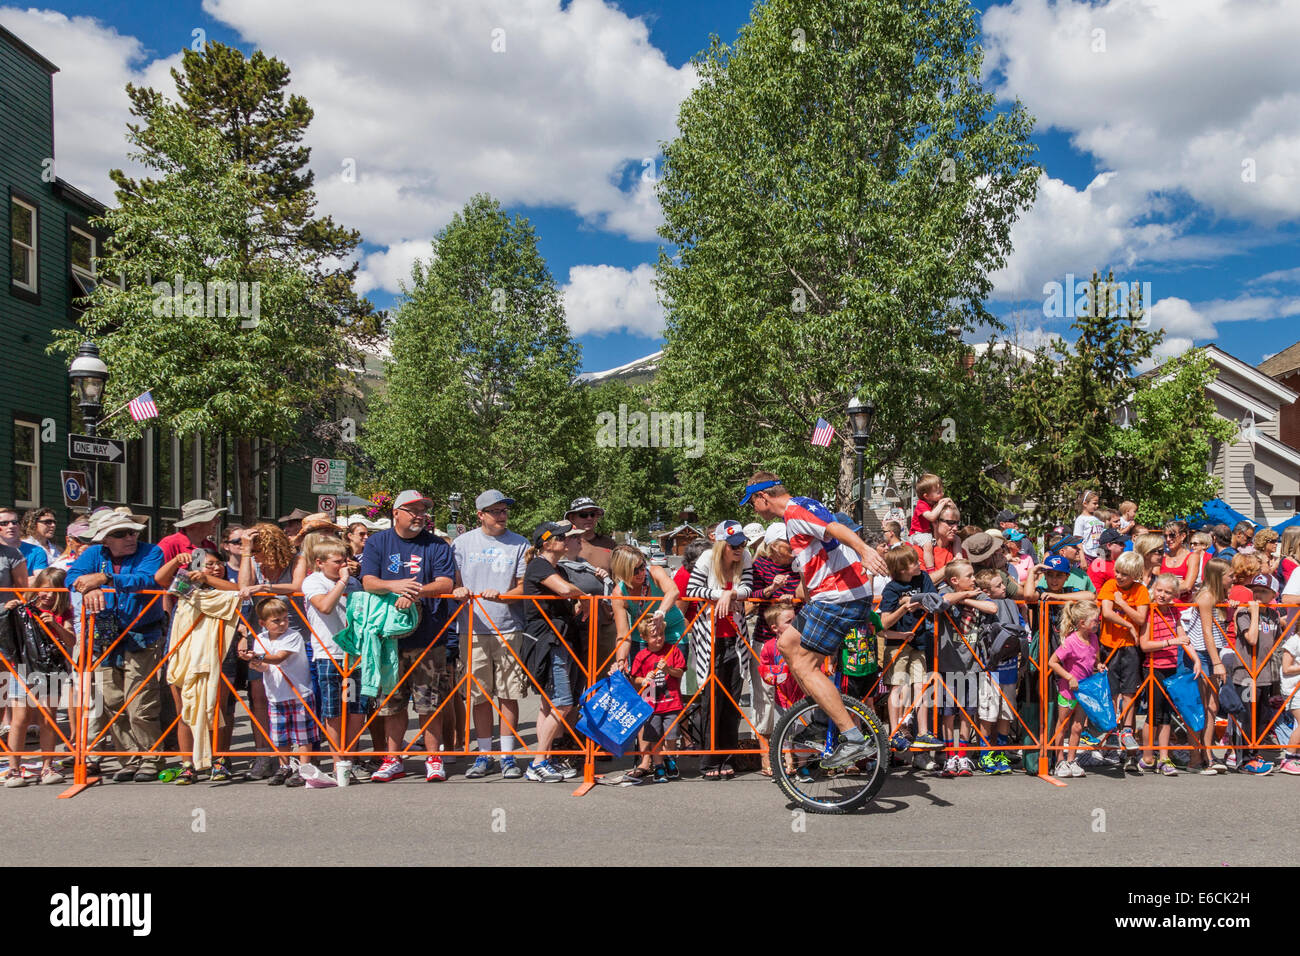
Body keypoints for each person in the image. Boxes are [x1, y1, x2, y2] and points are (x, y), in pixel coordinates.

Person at [359, 491, 457, 783]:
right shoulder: (378, 542)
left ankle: (434, 759)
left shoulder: (436, 545)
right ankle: (392, 760)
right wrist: (395, 586)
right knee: (391, 703)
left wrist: (414, 591)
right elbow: (368, 581)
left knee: (430, 702)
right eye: (412, 510)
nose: (419, 515)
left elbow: (445, 582)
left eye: (423, 510)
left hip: (429, 638)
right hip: (389, 639)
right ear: (396, 513)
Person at [65, 511, 166, 782]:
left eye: (132, 531)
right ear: (106, 539)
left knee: (140, 701)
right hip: (105, 637)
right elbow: (72, 575)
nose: (130, 537)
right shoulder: (94, 554)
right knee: (111, 701)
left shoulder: (151, 552)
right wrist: (87, 587)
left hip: (141, 635)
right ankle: (129, 757)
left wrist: (106, 580)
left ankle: (151, 757)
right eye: (121, 534)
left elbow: (148, 579)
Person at [453, 489, 530, 781]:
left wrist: (502, 596)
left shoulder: (519, 544)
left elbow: (524, 588)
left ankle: (507, 756)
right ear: (480, 515)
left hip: (508, 627)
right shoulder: (462, 543)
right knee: (479, 695)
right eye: (495, 511)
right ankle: (484, 754)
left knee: (509, 694)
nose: (502, 516)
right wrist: (458, 591)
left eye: (504, 511)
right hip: (471, 629)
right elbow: (455, 583)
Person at [519, 522, 590, 782]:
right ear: (546, 542)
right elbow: (564, 590)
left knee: (548, 705)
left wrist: (578, 602)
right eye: (560, 536)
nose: (565, 539)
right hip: (547, 642)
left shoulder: (557, 568)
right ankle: (537, 762)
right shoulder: (539, 565)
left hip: (559, 640)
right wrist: (583, 597)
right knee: (562, 703)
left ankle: (545, 759)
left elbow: (568, 602)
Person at [685, 521, 755, 779]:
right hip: (709, 638)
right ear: (723, 544)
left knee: (731, 701)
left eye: (743, 543)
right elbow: (692, 590)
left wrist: (732, 593)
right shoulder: (706, 558)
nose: (740, 548)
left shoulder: (745, 557)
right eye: (734, 544)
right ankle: (708, 760)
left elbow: (748, 588)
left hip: (735, 639)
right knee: (711, 700)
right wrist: (721, 594)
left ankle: (727, 758)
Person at [237, 522, 301, 780]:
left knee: (295, 696)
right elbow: (243, 589)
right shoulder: (252, 561)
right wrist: (244, 552)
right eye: (252, 551)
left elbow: (297, 586)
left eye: (258, 550)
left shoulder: (296, 560)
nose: (255, 555)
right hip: (261, 636)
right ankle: (265, 754)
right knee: (259, 696)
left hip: (294, 635)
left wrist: (265, 588)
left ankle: (297, 754)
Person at [302, 538, 369, 783]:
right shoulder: (313, 581)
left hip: (354, 653)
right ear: (320, 563)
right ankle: (337, 760)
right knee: (333, 710)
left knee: (354, 708)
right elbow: (325, 606)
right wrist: (342, 580)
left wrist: (350, 581)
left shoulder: (353, 582)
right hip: (329, 653)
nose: (344, 565)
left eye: (345, 561)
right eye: (337, 562)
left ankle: (349, 758)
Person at [3, 567, 74, 787]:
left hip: (50, 669)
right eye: (45, 590)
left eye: (55, 591)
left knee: (47, 718)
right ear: (36, 589)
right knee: (20, 719)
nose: (49, 595)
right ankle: (13, 769)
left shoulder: (64, 612)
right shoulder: (23, 608)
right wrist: (6, 611)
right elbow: (6, 636)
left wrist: (54, 624)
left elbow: (72, 641)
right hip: (22, 667)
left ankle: (47, 766)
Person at [240, 598, 314, 786]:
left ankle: (304, 768)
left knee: (302, 734)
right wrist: (255, 662)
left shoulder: (293, 636)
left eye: (284, 619)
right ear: (263, 623)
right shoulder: (260, 639)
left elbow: (279, 658)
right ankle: (284, 765)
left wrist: (259, 656)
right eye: (276, 621)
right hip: (275, 694)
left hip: (298, 692)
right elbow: (265, 666)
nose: (282, 624)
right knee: (281, 734)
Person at [877, 545, 943, 751]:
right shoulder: (891, 589)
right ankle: (894, 732)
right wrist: (903, 607)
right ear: (902, 569)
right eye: (913, 562)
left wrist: (914, 600)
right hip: (898, 643)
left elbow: (933, 601)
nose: (918, 564)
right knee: (897, 686)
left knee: (921, 685)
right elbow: (884, 622)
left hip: (919, 639)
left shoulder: (923, 578)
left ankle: (923, 732)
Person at [934, 560, 997, 776]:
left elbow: (992, 607)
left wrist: (968, 597)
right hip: (948, 663)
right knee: (948, 713)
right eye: (969, 576)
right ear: (954, 581)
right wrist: (961, 597)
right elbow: (942, 601)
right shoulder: (946, 591)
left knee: (968, 713)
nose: (974, 579)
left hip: (972, 664)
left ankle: (963, 756)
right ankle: (950, 756)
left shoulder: (978, 595)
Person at [1138, 573, 1202, 775]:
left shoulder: (1174, 613)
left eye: (1168, 592)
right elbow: (1145, 645)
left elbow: (1183, 637)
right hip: (1152, 667)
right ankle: (1147, 756)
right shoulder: (1149, 611)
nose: (1162, 595)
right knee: (1153, 714)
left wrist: (1195, 658)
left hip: (1171, 666)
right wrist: (1169, 643)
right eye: (1159, 590)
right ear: (1153, 589)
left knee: (1167, 714)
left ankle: (1164, 757)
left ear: (1175, 594)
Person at [1097, 552, 1150, 770]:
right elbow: (1107, 612)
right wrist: (1128, 625)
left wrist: (1123, 605)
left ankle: (1127, 730)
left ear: (1135, 575)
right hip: (1109, 644)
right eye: (1117, 571)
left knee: (1129, 690)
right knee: (1111, 690)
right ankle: (1111, 731)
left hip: (1129, 648)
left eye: (1125, 574)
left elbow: (1140, 617)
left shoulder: (1141, 590)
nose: (1118, 576)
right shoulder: (1109, 585)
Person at [1227, 573, 1283, 775]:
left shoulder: (1274, 614)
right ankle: (1243, 758)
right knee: (1245, 717)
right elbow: (1251, 638)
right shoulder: (1245, 613)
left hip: (1264, 674)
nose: (1257, 595)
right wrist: (1254, 612)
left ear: (1273, 594)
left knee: (1260, 718)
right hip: (1246, 674)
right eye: (1255, 591)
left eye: (1263, 591)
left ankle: (1254, 752)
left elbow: (1275, 642)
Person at [1184, 557, 1233, 773]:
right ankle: (1197, 757)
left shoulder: (1219, 596)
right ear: (1218, 577)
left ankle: (1208, 752)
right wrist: (1217, 663)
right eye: (1230, 575)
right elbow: (1207, 633)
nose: (1233, 578)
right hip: (1201, 654)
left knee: (1212, 707)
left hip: (1212, 652)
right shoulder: (1205, 597)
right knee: (1201, 707)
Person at [626, 619, 687, 784]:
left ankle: (671, 759)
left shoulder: (672, 651)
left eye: (661, 634)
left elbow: (680, 672)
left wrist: (668, 669)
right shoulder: (641, 656)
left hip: (671, 702)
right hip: (651, 704)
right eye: (654, 636)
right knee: (655, 737)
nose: (659, 639)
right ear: (644, 637)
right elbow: (634, 678)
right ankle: (659, 765)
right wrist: (644, 680)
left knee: (672, 735)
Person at [1047, 600, 1102, 778]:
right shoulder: (1070, 641)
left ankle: (1072, 759)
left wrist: (1099, 666)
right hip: (1068, 691)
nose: (1098, 622)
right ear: (1082, 623)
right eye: (1095, 620)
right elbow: (1052, 662)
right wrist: (1069, 677)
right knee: (1062, 726)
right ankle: (1059, 760)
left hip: (1085, 691)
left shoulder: (1093, 638)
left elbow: (1095, 659)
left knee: (1078, 727)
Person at [1276, 628, 1300, 774]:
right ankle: (1289, 757)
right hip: (1293, 689)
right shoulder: (1293, 642)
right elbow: (1286, 668)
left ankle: (1295, 755)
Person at [1159, 520, 1201, 601]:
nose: (1168, 539)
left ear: (1183, 536)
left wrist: (1164, 589)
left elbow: (1187, 586)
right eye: (1165, 536)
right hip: (1162, 607)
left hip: (1183, 608)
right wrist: (1179, 583)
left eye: (1172, 535)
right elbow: (1155, 585)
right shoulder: (1162, 557)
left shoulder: (1192, 557)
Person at [1073, 490, 1105, 562]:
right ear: (1085, 504)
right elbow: (1078, 540)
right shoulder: (1081, 519)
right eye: (1094, 503)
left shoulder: (1097, 519)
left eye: (1097, 503)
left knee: (1100, 572)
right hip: (1087, 555)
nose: (1097, 505)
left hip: (1099, 554)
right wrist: (1082, 559)